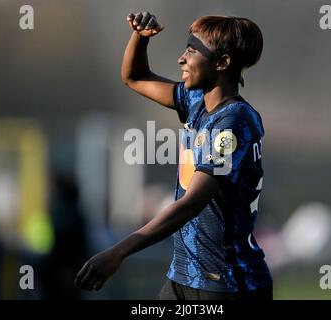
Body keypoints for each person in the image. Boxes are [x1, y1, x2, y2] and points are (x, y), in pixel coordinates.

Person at [75, 11, 273, 300]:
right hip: (183, 276)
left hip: (226, 284)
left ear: (222, 62)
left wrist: (120, 250)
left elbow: (191, 203)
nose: (181, 59)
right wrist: (141, 38)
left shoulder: (233, 123)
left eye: (192, 51)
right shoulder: (197, 102)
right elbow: (135, 77)